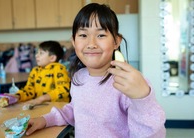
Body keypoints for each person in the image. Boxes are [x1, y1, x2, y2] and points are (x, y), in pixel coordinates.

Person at [26, 3, 166, 138]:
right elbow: (75, 110)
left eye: (101, 35)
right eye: (83, 35)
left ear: (116, 42)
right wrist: (45, 120)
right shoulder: (79, 77)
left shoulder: (129, 82)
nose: (91, 44)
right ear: (74, 41)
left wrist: (141, 99)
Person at [0, 41, 70, 107]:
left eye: (41, 53)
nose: (36, 55)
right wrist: (17, 96)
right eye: (37, 52)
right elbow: (29, 90)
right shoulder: (35, 71)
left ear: (52, 58)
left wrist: (41, 99)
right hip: (41, 107)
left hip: (58, 108)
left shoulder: (59, 69)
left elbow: (63, 90)